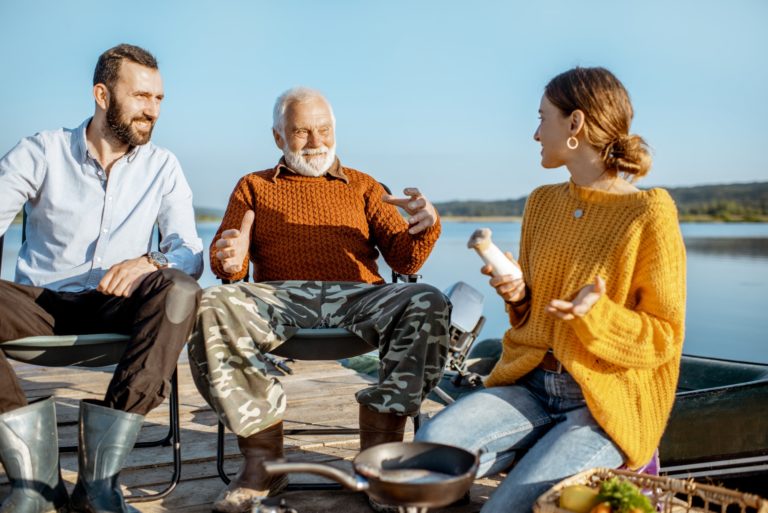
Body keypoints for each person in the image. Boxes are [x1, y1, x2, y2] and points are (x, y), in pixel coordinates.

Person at [415, 67, 686, 512]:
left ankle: (615, 460)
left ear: (575, 124)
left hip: (604, 402)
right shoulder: (542, 203)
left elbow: (664, 336)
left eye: (543, 118)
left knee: (505, 508)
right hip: (532, 383)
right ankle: (537, 451)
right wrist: (518, 294)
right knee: (430, 449)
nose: (535, 133)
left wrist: (596, 315)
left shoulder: (648, 212)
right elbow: (532, 313)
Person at [187, 87, 451, 513]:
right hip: (279, 298)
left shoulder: (365, 186)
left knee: (427, 298)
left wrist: (425, 225)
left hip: (360, 298)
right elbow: (230, 268)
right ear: (278, 137)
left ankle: (379, 457)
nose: (316, 142)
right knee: (213, 303)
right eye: (302, 132)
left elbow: (404, 258)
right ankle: (264, 464)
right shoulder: (253, 186)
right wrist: (229, 258)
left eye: (324, 130)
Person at [0, 44, 203, 513]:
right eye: (140, 96)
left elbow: (189, 252)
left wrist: (148, 262)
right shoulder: (41, 150)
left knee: (180, 289)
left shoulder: (163, 166)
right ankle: (35, 484)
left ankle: (97, 486)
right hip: (41, 304)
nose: (152, 110)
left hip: (119, 303)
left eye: (158, 99)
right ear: (101, 94)